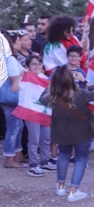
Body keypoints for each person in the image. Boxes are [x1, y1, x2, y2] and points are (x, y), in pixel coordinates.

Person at [39, 66, 94, 202]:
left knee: (63, 156)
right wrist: (84, 80)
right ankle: (74, 191)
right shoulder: (81, 94)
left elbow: (41, 98)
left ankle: (60, 186)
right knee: (81, 159)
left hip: (61, 132)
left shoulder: (52, 97)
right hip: (82, 131)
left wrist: (52, 84)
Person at [17, 54, 55, 176]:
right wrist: (20, 75)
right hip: (31, 112)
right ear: (28, 66)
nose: (37, 66)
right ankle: (33, 165)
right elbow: (14, 89)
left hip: (44, 112)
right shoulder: (26, 77)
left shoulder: (45, 78)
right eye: (33, 64)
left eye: (39, 63)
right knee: (34, 140)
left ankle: (44, 161)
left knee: (46, 139)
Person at [2, 31, 25, 168]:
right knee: (14, 127)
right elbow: (14, 79)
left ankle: (18, 154)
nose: (20, 43)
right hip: (12, 98)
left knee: (18, 126)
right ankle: (9, 158)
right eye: (18, 41)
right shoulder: (9, 59)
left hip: (7, 98)